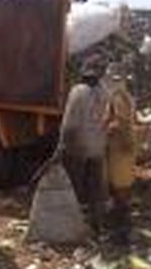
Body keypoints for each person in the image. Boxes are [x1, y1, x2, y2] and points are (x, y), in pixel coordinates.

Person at [55, 56, 109, 234]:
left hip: (78, 148)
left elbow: (69, 124)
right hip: (97, 147)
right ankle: (97, 223)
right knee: (95, 189)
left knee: (74, 187)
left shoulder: (78, 92)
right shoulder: (104, 92)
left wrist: (61, 145)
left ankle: (73, 225)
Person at [103, 62, 137, 245]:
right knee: (123, 186)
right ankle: (122, 226)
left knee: (119, 188)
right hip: (126, 146)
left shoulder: (117, 96)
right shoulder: (127, 95)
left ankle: (122, 230)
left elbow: (120, 122)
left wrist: (105, 127)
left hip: (120, 147)